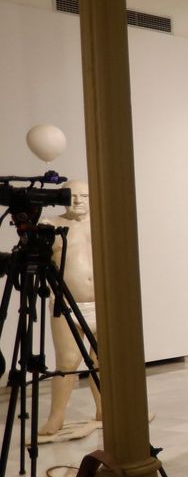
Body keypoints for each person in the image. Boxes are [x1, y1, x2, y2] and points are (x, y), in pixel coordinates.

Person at [41, 180, 99, 437]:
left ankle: (104, 409)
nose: (79, 201)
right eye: (73, 196)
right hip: (67, 305)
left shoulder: (102, 222)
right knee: (67, 361)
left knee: (102, 360)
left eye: (85, 195)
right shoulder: (52, 226)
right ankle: (57, 416)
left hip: (103, 303)